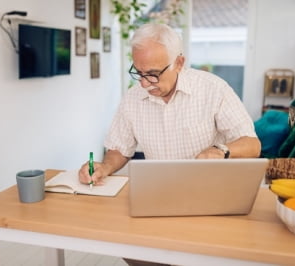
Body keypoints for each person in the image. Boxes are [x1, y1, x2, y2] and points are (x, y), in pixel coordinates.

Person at [78, 23, 260, 265]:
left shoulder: (213, 89)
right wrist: (105, 167)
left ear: (179, 63)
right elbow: (119, 149)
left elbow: (251, 144)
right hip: (156, 198)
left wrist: (221, 150)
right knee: (130, 248)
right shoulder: (133, 98)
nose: (144, 83)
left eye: (152, 73)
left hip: (208, 200)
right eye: (139, 73)